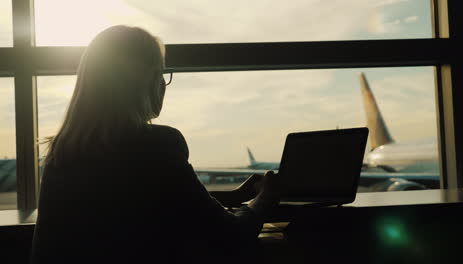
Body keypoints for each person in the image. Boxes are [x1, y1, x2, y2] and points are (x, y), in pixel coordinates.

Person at [30, 25, 279, 264]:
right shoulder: (157, 145)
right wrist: (262, 201)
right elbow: (230, 236)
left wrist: (236, 196)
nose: (163, 83)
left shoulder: (62, 153)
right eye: (160, 73)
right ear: (145, 82)